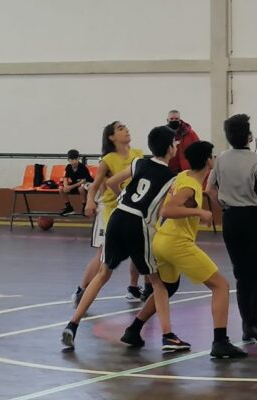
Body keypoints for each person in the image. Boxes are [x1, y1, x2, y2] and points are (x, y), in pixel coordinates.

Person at [120, 141, 247, 359]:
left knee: (167, 287)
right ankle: (220, 342)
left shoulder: (182, 176)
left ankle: (133, 330)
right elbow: (168, 210)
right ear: (208, 160)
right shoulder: (191, 185)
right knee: (221, 286)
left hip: (161, 240)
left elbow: (166, 206)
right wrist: (200, 213)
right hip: (176, 243)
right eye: (213, 156)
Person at [61, 127, 177, 349]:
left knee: (103, 273)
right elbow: (164, 209)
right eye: (175, 143)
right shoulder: (171, 177)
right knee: (157, 282)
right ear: (170, 148)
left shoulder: (139, 162)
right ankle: (168, 335)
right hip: (138, 223)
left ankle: (72, 324)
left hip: (118, 215)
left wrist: (124, 198)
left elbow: (112, 183)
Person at [207, 114, 257, 345]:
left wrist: (224, 207)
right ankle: (254, 323)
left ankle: (247, 324)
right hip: (251, 217)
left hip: (231, 219)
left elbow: (209, 189)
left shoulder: (220, 159)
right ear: (249, 136)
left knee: (241, 274)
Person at [71, 122, 145, 308]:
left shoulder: (138, 154)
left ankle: (133, 287)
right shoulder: (108, 159)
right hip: (110, 211)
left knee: (138, 247)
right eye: (120, 128)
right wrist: (89, 201)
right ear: (111, 137)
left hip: (133, 209)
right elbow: (94, 186)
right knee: (103, 254)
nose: (126, 130)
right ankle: (82, 289)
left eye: (126, 127)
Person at [59, 149, 93, 216]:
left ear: (78, 159)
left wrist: (70, 187)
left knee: (81, 188)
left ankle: (84, 205)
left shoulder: (82, 167)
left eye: (75, 159)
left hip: (85, 185)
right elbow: (65, 177)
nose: (73, 161)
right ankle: (68, 207)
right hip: (75, 184)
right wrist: (65, 186)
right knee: (60, 188)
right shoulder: (68, 167)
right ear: (68, 160)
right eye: (71, 160)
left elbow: (83, 181)